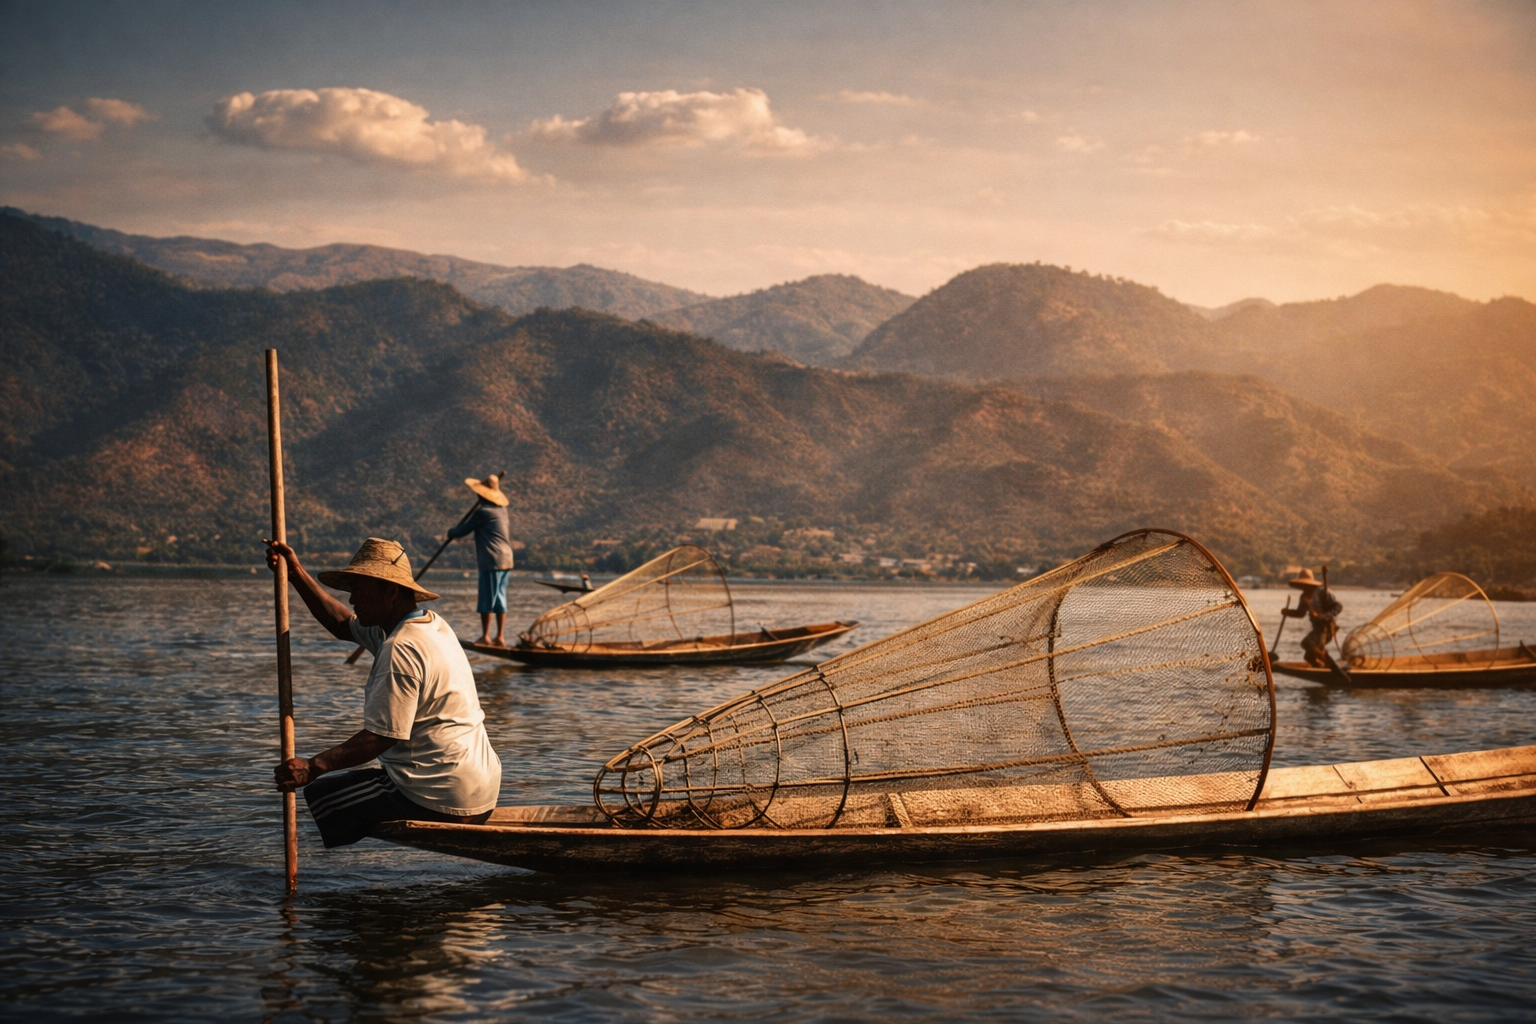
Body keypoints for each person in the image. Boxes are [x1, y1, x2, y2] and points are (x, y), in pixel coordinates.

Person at [265, 535, 502, 848]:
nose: (353, 600)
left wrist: (313, 766)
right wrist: (296, 573)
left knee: (324, 797)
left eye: (360, 591)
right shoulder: (430, 625)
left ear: (390, 591)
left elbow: (381, 737)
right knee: (349, 786)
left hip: (446, 792)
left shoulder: (400, 648)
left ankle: (331, 889)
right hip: (482, 786)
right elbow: (341, 623)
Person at [448, 473, 516, 646]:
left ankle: (485, 636)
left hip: (492, 559)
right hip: (507, 558)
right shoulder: (502, 510)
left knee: (487, 598)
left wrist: (451, 532)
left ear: (481, 494)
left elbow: (463, 531)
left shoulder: (483, 512)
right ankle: (500, 637)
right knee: (500, 598)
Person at [1282, 567, 1343, 669]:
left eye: (1306, 585)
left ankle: (1327, 661)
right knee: (1308, 656)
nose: (1304, 587)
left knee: (1306, 643)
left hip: (1326, 628)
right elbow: (1300, 613)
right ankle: (1321, 668)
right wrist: (1287, 612)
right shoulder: (1304, 597)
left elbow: (1338, 607)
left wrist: (1326, 616)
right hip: (1317, 629)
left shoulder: (1323, 593)